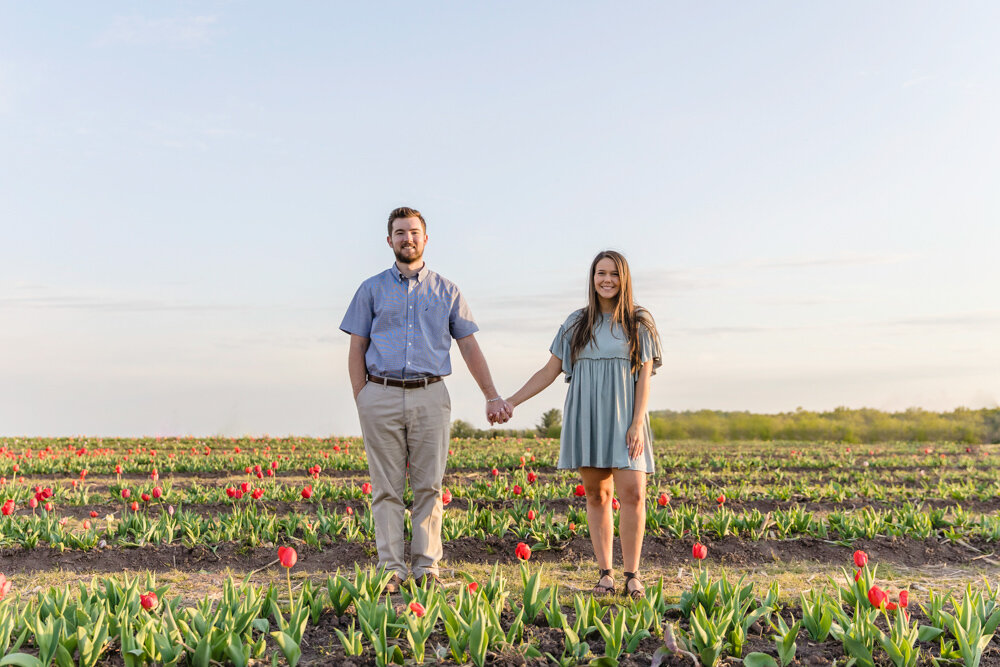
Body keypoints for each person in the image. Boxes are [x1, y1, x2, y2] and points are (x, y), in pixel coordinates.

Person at [340, 206, 512, 593]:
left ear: (425, 238)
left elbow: (468, 345)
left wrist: (491, 394)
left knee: (428, 487)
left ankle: (426, 567)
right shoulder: (370, 290)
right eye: (400, 233)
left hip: (431, 394)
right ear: (389, 241)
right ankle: (391, 569)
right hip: (379, 393)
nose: (408, 239)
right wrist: (362, 398)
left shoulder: (447, 291)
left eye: (414, 232)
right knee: (385, 487)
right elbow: (356, 348)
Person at [506, 250, 661, 599]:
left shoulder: (639, 321)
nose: (607, 280)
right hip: (586, 415)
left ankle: (633, 575)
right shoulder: (577, 322)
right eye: (600, 273)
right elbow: (550, 370)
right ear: (592, 279)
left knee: (633, 494)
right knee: (596, 495)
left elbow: (645, 378)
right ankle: (605, 573)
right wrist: (512, 401)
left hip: (625, 418)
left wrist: (637, 423)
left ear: (625, 279)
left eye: (614, 274)